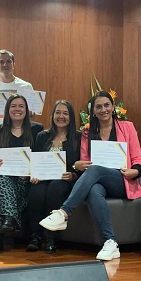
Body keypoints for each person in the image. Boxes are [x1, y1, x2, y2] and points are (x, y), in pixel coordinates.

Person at [40, 91, 141, 261]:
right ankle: (110, 242)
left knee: (95, 170)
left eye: (106, 105)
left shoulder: (127, 127)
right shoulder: (88, 132)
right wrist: (79, 165)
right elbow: (85, 161)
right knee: (94, 190)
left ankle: (64, 212)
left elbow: (138, 158)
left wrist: (136, 171)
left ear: (113, 107)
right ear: (93, 111)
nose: (103, 109)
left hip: (122, 180)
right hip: (99, 182)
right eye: (98, 107)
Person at [0, 94, 43, 255]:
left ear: (26, 110)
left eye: (21, 106)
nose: (17, 109)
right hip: (5, 178)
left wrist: (32, 172)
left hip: (27, 181)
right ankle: (8, 221)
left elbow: (40, 158)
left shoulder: (37, 130)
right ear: (8, 110)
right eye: (13, 106)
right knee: (0, 177)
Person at [26, 100, 81, 254]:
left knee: (55, 189)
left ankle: (51, 237)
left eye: (65, 113)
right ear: (52, 115)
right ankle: (35, 236)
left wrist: (73, 174)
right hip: (43, 178)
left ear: (71, 117)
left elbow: (80, 163)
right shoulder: (42, 136)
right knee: (36, 192)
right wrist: (34, 174)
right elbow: (35, 160)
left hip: (65, 180)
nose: (61, 116)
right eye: (58, 112)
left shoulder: (77, 138)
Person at [0, 49, 33, 129]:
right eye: (1, 62)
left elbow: (31, 114)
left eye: (9, 61)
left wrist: (29, 114)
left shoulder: (26, 86)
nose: (5, 65)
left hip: (21, 131)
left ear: (13, 64)